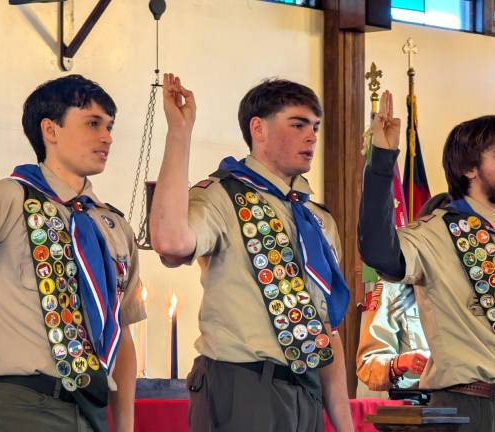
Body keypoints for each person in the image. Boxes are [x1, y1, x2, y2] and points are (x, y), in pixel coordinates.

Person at [0, 45, 144, 432]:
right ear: (50, 129)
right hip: (22, 406)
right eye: (92, 123)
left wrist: (126, 426)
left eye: (110, 126)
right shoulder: (10, 198)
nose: (107, 137)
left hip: (93, 409)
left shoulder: (111, 226)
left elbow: (123, 331)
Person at [149, 75, 353, 431]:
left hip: (307, 388)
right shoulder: (221, 195)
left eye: (315, 127)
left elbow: (327, 327)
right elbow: (170, 242)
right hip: (242, 383)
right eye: (298, 124)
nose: (312, 137)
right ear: (258, 128)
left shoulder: (317, 219)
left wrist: (344, 424)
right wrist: (179, 134)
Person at [358, 91, 495, 432]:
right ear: (469, 168)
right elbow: (379, 252)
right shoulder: (435, 234)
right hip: (468, 407)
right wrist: (382, 161)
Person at [356, 194, 448, 398]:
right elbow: (367, 365)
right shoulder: (394, 286)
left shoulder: (478, 289)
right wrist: (402, 362)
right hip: (418, 405)